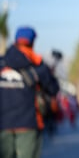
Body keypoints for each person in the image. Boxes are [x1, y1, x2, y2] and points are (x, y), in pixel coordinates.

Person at [0, 26, 60, 158]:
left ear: (16, 41)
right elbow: (53, 89)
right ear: (32, 42)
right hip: (29, 124)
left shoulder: (2, 63)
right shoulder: (38, 65)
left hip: (2, 124)